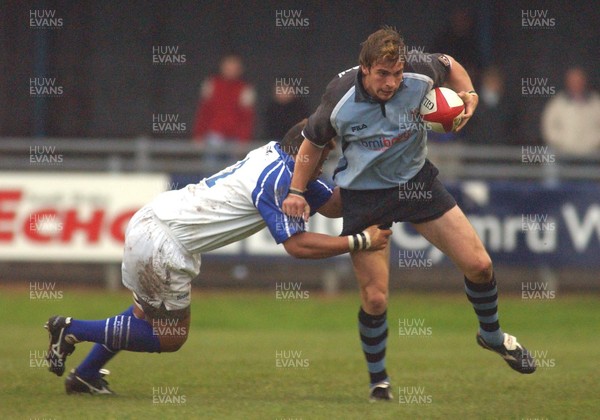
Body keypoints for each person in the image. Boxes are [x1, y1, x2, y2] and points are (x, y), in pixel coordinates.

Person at [44, 120, 392, 395]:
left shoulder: (281, 159)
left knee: (143, 314)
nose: (324, 164)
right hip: (164, 242)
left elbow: (331, 205)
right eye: (323, 155)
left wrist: (367, 177)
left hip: (154, 223)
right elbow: (296, 245)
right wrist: (360, 241)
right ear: (304, 152)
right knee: (170, 335)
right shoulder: (279, 178)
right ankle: (71, 329)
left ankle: (85, 375)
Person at [282, 26, 536, 402]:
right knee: (376, 299)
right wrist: (295, 191)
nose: (391, 82)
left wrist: (467, 94)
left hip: (417, 184)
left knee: (480, 265)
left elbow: (450, 64)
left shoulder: (419, 70)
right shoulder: (338, 96)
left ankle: (493, 336)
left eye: (397, 73)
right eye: (383, 74)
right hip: (365, 195)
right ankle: (379, 382)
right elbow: (312, 142)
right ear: (364, 69)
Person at [192, 54, 256, 165]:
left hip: (235, 138)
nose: (230, 70)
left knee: (233, 174)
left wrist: (244, 140)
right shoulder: (211, 84)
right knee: (210, 172)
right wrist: (198, 135)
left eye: (233, 68)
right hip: (214, 135)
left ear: (239, 70)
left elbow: (247, 118)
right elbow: (203, 112)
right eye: (228, 67)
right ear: (222, 67)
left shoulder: (245, 89)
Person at [541, 67, 600, 156]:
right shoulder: (557, 102)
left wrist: (593, 142)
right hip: (562, 150)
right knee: (549, 156)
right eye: (573, 81)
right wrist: (561, 141)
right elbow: (548, 126)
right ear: (567, 82)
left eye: (579, 81)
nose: (576, 84)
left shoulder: (596, 102)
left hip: (592, 151)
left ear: (584, 82)